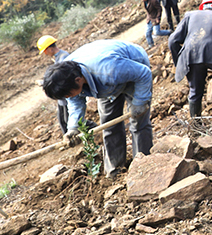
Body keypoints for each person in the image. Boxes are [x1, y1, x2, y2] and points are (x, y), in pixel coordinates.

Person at [42, 40, 154, 178]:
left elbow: (143, 73)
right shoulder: (66, 78)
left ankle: (143, 166)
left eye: (68, 94)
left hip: (134, 69)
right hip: (105, 86)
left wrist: (140, 102)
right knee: (109, 125)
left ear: (78, 80)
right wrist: (73, 128)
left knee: (138, 122)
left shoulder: (109, 70)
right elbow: (75, 104)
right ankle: (115, 170)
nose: (68, 97)